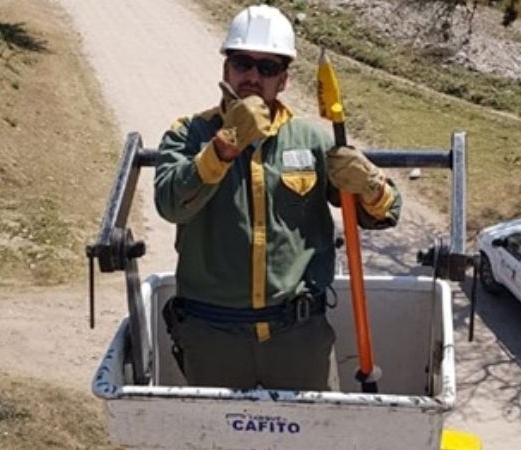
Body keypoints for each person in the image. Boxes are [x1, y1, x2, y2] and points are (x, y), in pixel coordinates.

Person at [154, 4, 401, 391]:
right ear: (226, 70)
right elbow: (169, 203)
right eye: (242, 63)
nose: (253, 76)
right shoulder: (190, 135)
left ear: (283, 79)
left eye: (268, 67)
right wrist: (222, 149)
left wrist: (369, 185)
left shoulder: (313, 140)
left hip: (297, 339)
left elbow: (385, 212)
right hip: (213, 337)